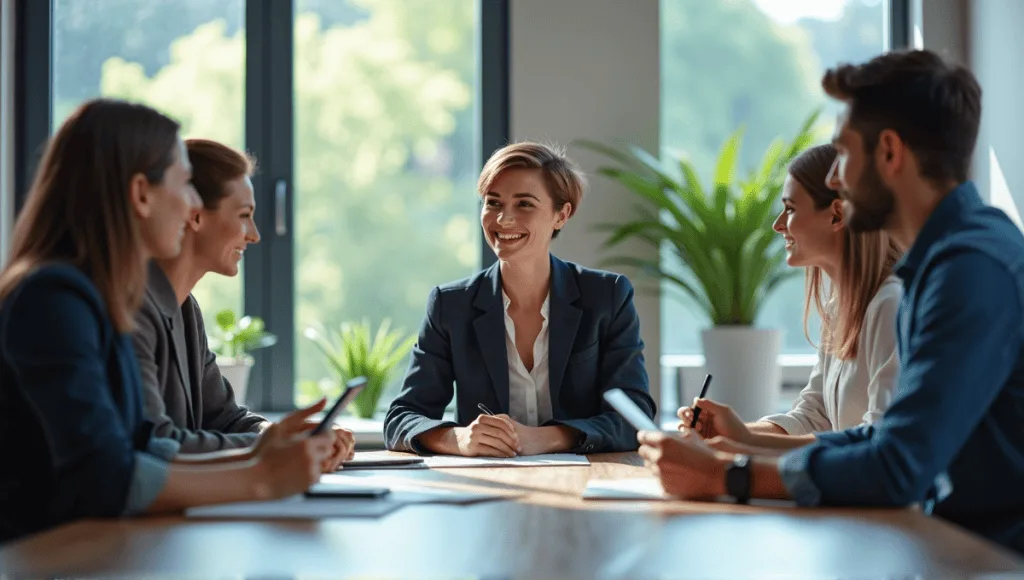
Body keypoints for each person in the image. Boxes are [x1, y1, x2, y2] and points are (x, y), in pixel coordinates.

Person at [638, 49, 1024, 555]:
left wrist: (731, 476)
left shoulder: (970, 270)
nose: (837, 178)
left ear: (889, 153)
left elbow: (896, 467)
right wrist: (743, 447)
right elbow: (886, 437)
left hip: (987, 557)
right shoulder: (941, 264)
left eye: (843, 153)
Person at [0, 99, 332, 544]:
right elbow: (106, 473)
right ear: (141, 194)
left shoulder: (100, 298)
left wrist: (263, 456)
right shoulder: (54, 299)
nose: (194, 203)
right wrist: (260, 477)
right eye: (184, 184)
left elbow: (145, 449)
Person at [385, 142, 656, 456]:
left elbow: (635, 418)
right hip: (489, 486)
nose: (503, 219)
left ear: (561, 214)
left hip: (587, 483)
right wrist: (457, 439)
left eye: (524, 204)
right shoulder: (451, 305)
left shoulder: (607, 297)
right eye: (493, 202)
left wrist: (544, 438)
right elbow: (401, 418)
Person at [132, 138, 354, 468]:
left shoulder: (186, 310)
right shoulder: (134, 310)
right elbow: (159, 443)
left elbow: (225, 417)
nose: (254, 234)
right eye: (244, 215)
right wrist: (276, 443)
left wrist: (282, 434)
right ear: (193, 215)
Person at [679, 144, 903, 456]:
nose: (778, 224)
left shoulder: (891, 306)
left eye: (791, 208)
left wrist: (744, 442)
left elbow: (877, 442)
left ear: (837, 214)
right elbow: (813, 417)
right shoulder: (840, 308)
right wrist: (728, 433)